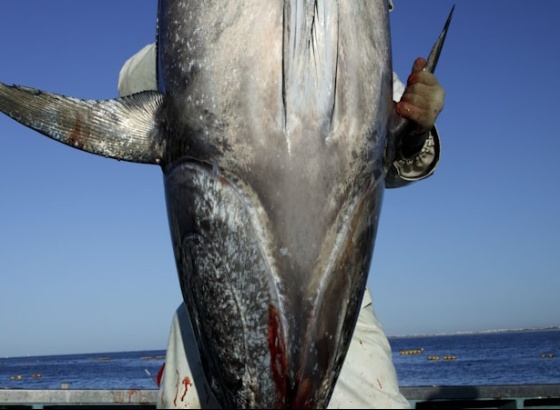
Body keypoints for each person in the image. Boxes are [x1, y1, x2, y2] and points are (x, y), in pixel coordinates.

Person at [118, 6, 444, 409]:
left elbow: (388, 161)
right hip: (217, 315)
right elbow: (131, 83)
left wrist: (415, 127)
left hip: (337, 320)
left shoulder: (368, 61)